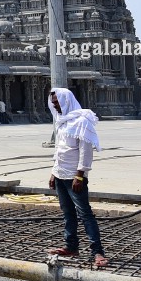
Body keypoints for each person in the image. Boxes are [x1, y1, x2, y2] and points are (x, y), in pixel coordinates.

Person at [47, 87, 108, 269]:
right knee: (68, 213)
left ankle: (97, 251)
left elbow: (85, 151)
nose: (56, 107)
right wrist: (53, 172)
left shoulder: (82, 121)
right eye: (54, 103)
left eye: (58, 103)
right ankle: (71, 246)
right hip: (60, 174)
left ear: (67, 101)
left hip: (74, 176)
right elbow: (59, 149)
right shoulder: (62, 121)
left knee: (85, 214)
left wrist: (80, 175)